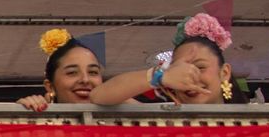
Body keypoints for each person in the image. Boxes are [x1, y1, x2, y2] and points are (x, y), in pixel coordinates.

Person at [91, 13, 234, 106]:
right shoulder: (163, 120)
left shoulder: (248, 123)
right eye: (179, 68)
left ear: (224, 73)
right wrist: (159, 76)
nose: (189, 74)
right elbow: (98, 96)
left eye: (200, 67)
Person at [18, 29, 102, 111]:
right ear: (50, 87)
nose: (85, 80)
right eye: (72, 72)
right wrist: (21, 113)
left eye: (93, 72)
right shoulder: (39, 118)